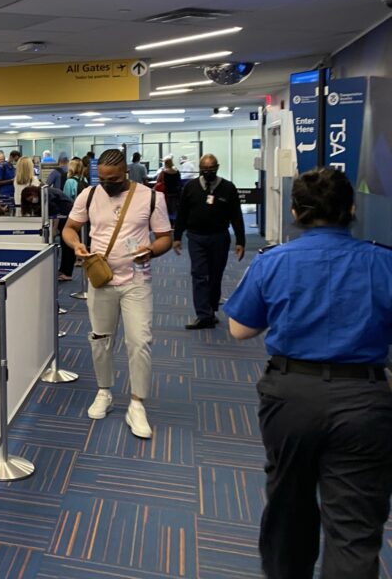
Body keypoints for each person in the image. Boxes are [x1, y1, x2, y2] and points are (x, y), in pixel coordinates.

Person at [224, 167, 392, 579]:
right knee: (354, 526)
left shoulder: (274, 261)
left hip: (291, 397)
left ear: (296, 211)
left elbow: (240, 329)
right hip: (365, 400)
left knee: (288, 508)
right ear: (352, 209)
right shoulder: (383, 262)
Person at [61, 149, 172, 439]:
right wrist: (76, 246)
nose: (107, 184)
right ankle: (104, 391)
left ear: (126, 173)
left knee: (139, 341)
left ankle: (137, 404)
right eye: (103, 179)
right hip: (101, 280)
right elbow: (70, 229)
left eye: (114, 179)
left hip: (136, 281)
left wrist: (150, 250)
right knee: (100, 339)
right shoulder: (88, 194)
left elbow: (165, 239)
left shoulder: (150, 197)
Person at [173, 154, 246, 330]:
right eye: (204, 170)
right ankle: (203, 315)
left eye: (211, 169)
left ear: (217, 167)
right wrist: (176, 237)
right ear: (199, 168)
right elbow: (181, 213)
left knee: (215, 274)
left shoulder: (228, 188)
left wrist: (240, 241)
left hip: (219, 237)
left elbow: (236, 215)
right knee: (198, 275)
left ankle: (211, 309)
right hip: (196, 237)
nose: (208, 173)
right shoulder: (190, 187)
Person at [59, 158, 87, 281]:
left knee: (67, 243)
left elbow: (65, 200)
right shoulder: (84, 180)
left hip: (71, 215)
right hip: (83, 216)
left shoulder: (69, 182)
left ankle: (66, 272)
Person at [155, 156, 183, 220]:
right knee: (174, 209)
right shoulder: (177, 171)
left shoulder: (163, 172)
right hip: (176, 192)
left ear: (165, 164)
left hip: (166, 192)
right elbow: (179, 181)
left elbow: (158, 181)